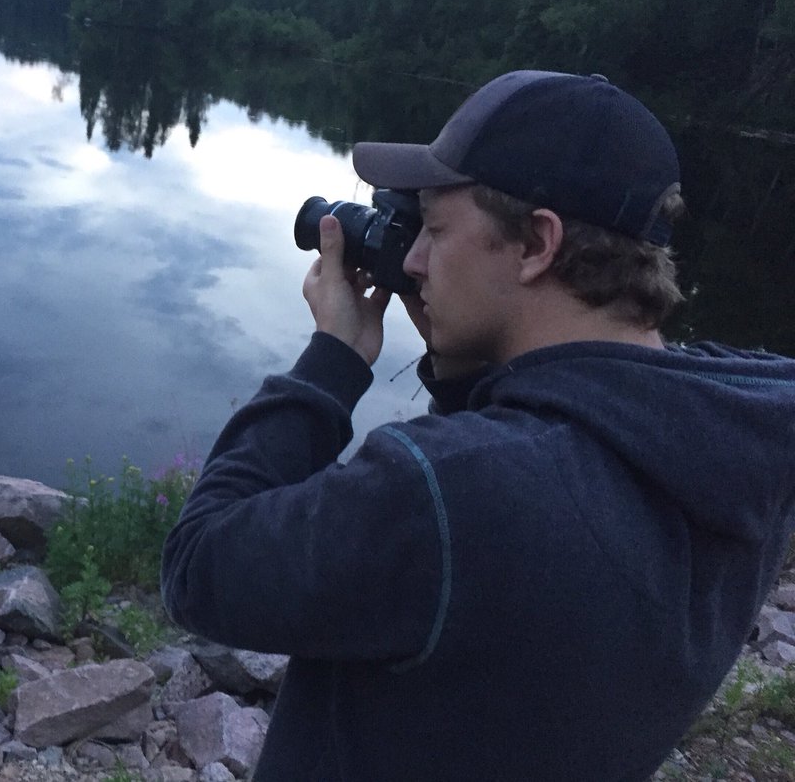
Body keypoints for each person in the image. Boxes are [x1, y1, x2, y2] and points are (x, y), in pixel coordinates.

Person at [160, 70, 795, 780]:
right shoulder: (736, 441)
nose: (412, 262)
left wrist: (331, 362)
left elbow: (200, 567)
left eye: (433, 229)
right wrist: (467, 365)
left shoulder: (451, 492)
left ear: (535, 245)